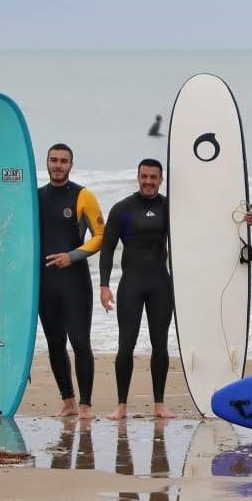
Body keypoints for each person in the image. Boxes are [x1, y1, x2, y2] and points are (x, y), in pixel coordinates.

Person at [99, 158, 173, 420]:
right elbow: (107, 247)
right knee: (125, 345)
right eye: (144, 176)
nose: (149, 181)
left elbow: (198, 232)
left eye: (154, 177)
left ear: (161, 180)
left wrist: (243, 220)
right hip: (131, 284)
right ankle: (121, 406)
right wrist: (104, 285)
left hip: (160, 284)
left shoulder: (170, 207)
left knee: (160, 345)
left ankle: (160, 405)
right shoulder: (123, 209)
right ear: (138, 177)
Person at [37, 144, 105, 419]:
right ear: (47, 163)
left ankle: (86, 404)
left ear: (71, 165)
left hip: (75, 282)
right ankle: (68, 401)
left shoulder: (83, 195)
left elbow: (101, 235)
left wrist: (73, 256)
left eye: (63, 161)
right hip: (44, 283)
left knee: (79, 341)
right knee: (54, 343)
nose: (58, 165)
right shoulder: (35, 196)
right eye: (53, 160)